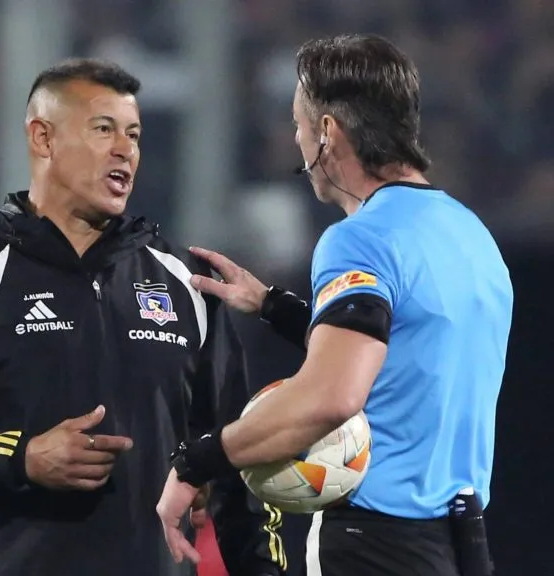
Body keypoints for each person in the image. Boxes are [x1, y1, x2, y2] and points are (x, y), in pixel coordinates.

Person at [0, 58, 287, 576]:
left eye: (133, 135)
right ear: (43, 138)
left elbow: (237, 454)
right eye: (103, 129)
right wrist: (23, 456)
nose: (125, 150)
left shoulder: (185, 283)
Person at [156, 34, 511, 576]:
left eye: (298, 124)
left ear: (327, 132)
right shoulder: (470, 233)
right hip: (463, 544)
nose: (297, 141)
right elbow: (401, 355)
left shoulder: (358, 239)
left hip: (376, 543)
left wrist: (195, 462)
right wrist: (273, 305)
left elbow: (331, 397)